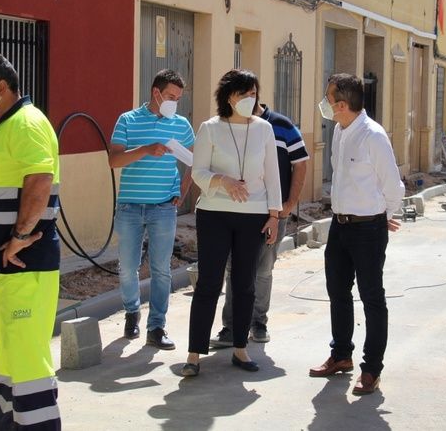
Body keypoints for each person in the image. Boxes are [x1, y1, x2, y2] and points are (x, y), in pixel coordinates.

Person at [0, 51, 61, 430]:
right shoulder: (3, 125)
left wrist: (19, 236)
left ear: (0, 87)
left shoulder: (26, 124)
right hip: (8, 263)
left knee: (28, 355)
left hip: (26, 261)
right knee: (9, 352)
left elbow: (40, 179)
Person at [308, 73, 405, 396]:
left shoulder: (373, 136)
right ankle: (341, 355)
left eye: (328, 98)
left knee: (372, 297)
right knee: (337, 291)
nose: (324, 104)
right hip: (340, 225)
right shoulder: (339, 131)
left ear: (341, 105)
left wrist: (382, 217)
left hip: (367, 229)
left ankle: (371, 369)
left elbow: (393, 185)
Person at [183, 69, 282, 377]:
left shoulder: (264, 129)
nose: (250, 99)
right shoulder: (210, 128)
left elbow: (272, 174)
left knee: (244, 283)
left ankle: (240, 348)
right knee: (209, 282)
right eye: (243, 94)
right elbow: (198, 171)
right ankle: (194, 354)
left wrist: (274, 215)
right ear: (229, 97)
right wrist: (223, 181)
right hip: (214, 214)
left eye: (253, 94)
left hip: (254, 216)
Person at [109, 69, 195, 350]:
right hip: (130, 207)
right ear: (155, 93)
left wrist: (182, 191)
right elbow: (114, 160)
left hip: (163, 208)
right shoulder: (127, 120)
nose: (174, 103)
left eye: (178, 98)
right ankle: (132, 310)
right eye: (170, 96)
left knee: (161, 269)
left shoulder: (181, 124)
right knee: (127, 267)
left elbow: (196, 159)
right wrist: (146, 149)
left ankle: (156, 326)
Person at [210, 103, 309, 347]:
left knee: (263, 269)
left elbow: (300, 163)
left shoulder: (282, 126)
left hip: (272, 213)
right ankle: (231, 327)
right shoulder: (228, 125)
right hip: (238, 211)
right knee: (234, 269)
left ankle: (258, 323)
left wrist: (289, 203)